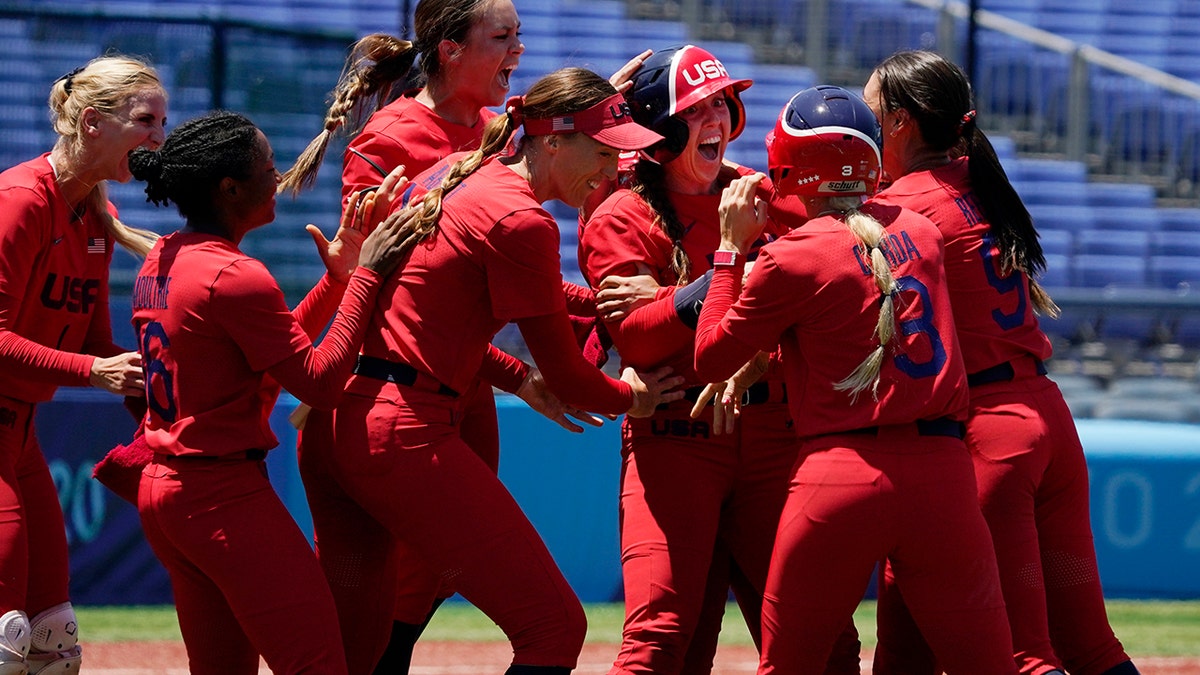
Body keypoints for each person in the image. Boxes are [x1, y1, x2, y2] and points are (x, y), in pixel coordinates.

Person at [280, 4, 650, 669]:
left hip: (374, 410)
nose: (518, 47)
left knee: (356, 647)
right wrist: (631, 395)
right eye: (501, 36)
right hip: (406, 414)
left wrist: (598, 112)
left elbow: (456, 285)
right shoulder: (438, 156)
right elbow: (388, 287)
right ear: (449, 49)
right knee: (552, 626)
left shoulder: (474, 159)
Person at [691, 85, 1018, 674]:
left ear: (788, 162)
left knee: (790, 665)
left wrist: (727, 251)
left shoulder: (788, 258)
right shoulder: (922, 232)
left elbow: (711, 357)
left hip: (839, 475)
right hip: (942, 474)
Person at [578, 44, 859, 675]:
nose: (715, 120)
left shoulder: (763, 195)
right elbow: (642, 341)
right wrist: (722, 276)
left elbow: (833, 289)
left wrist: (711, 316)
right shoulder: (623, 213)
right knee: (663, 641)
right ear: (661, 127)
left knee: (825, 644)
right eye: (695, 108)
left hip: (773, 442)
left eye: (721, 105)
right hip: (677, 441)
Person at [863, 50, 1141, 675]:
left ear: (901, 122)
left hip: (983, 442)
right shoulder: (979, 182)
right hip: (1046, 421)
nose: (863, 123)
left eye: (871, 110)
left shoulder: (899, 207)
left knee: (1020, 656)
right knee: (1090, 647)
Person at [127, 110, 415, 675]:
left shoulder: (164, 257)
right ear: (229, 187)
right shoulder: (233, 273)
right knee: (316, 665)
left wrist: (336, 280)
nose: (279, 177)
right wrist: (366, 277)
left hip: (169, 492)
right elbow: (320, 384)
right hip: (220, 494)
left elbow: (271, 351)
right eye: (267, 168)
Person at [0, 54, 167, 673]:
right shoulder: (20, 200)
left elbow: (96, 338)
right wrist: (92, 372)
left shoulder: (95, 215)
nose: (159, 138)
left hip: (19, 437)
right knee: (8, 638)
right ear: (93, 122)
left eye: (162, 122)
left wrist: (158, 400)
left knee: (53, 641)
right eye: (147, 120)